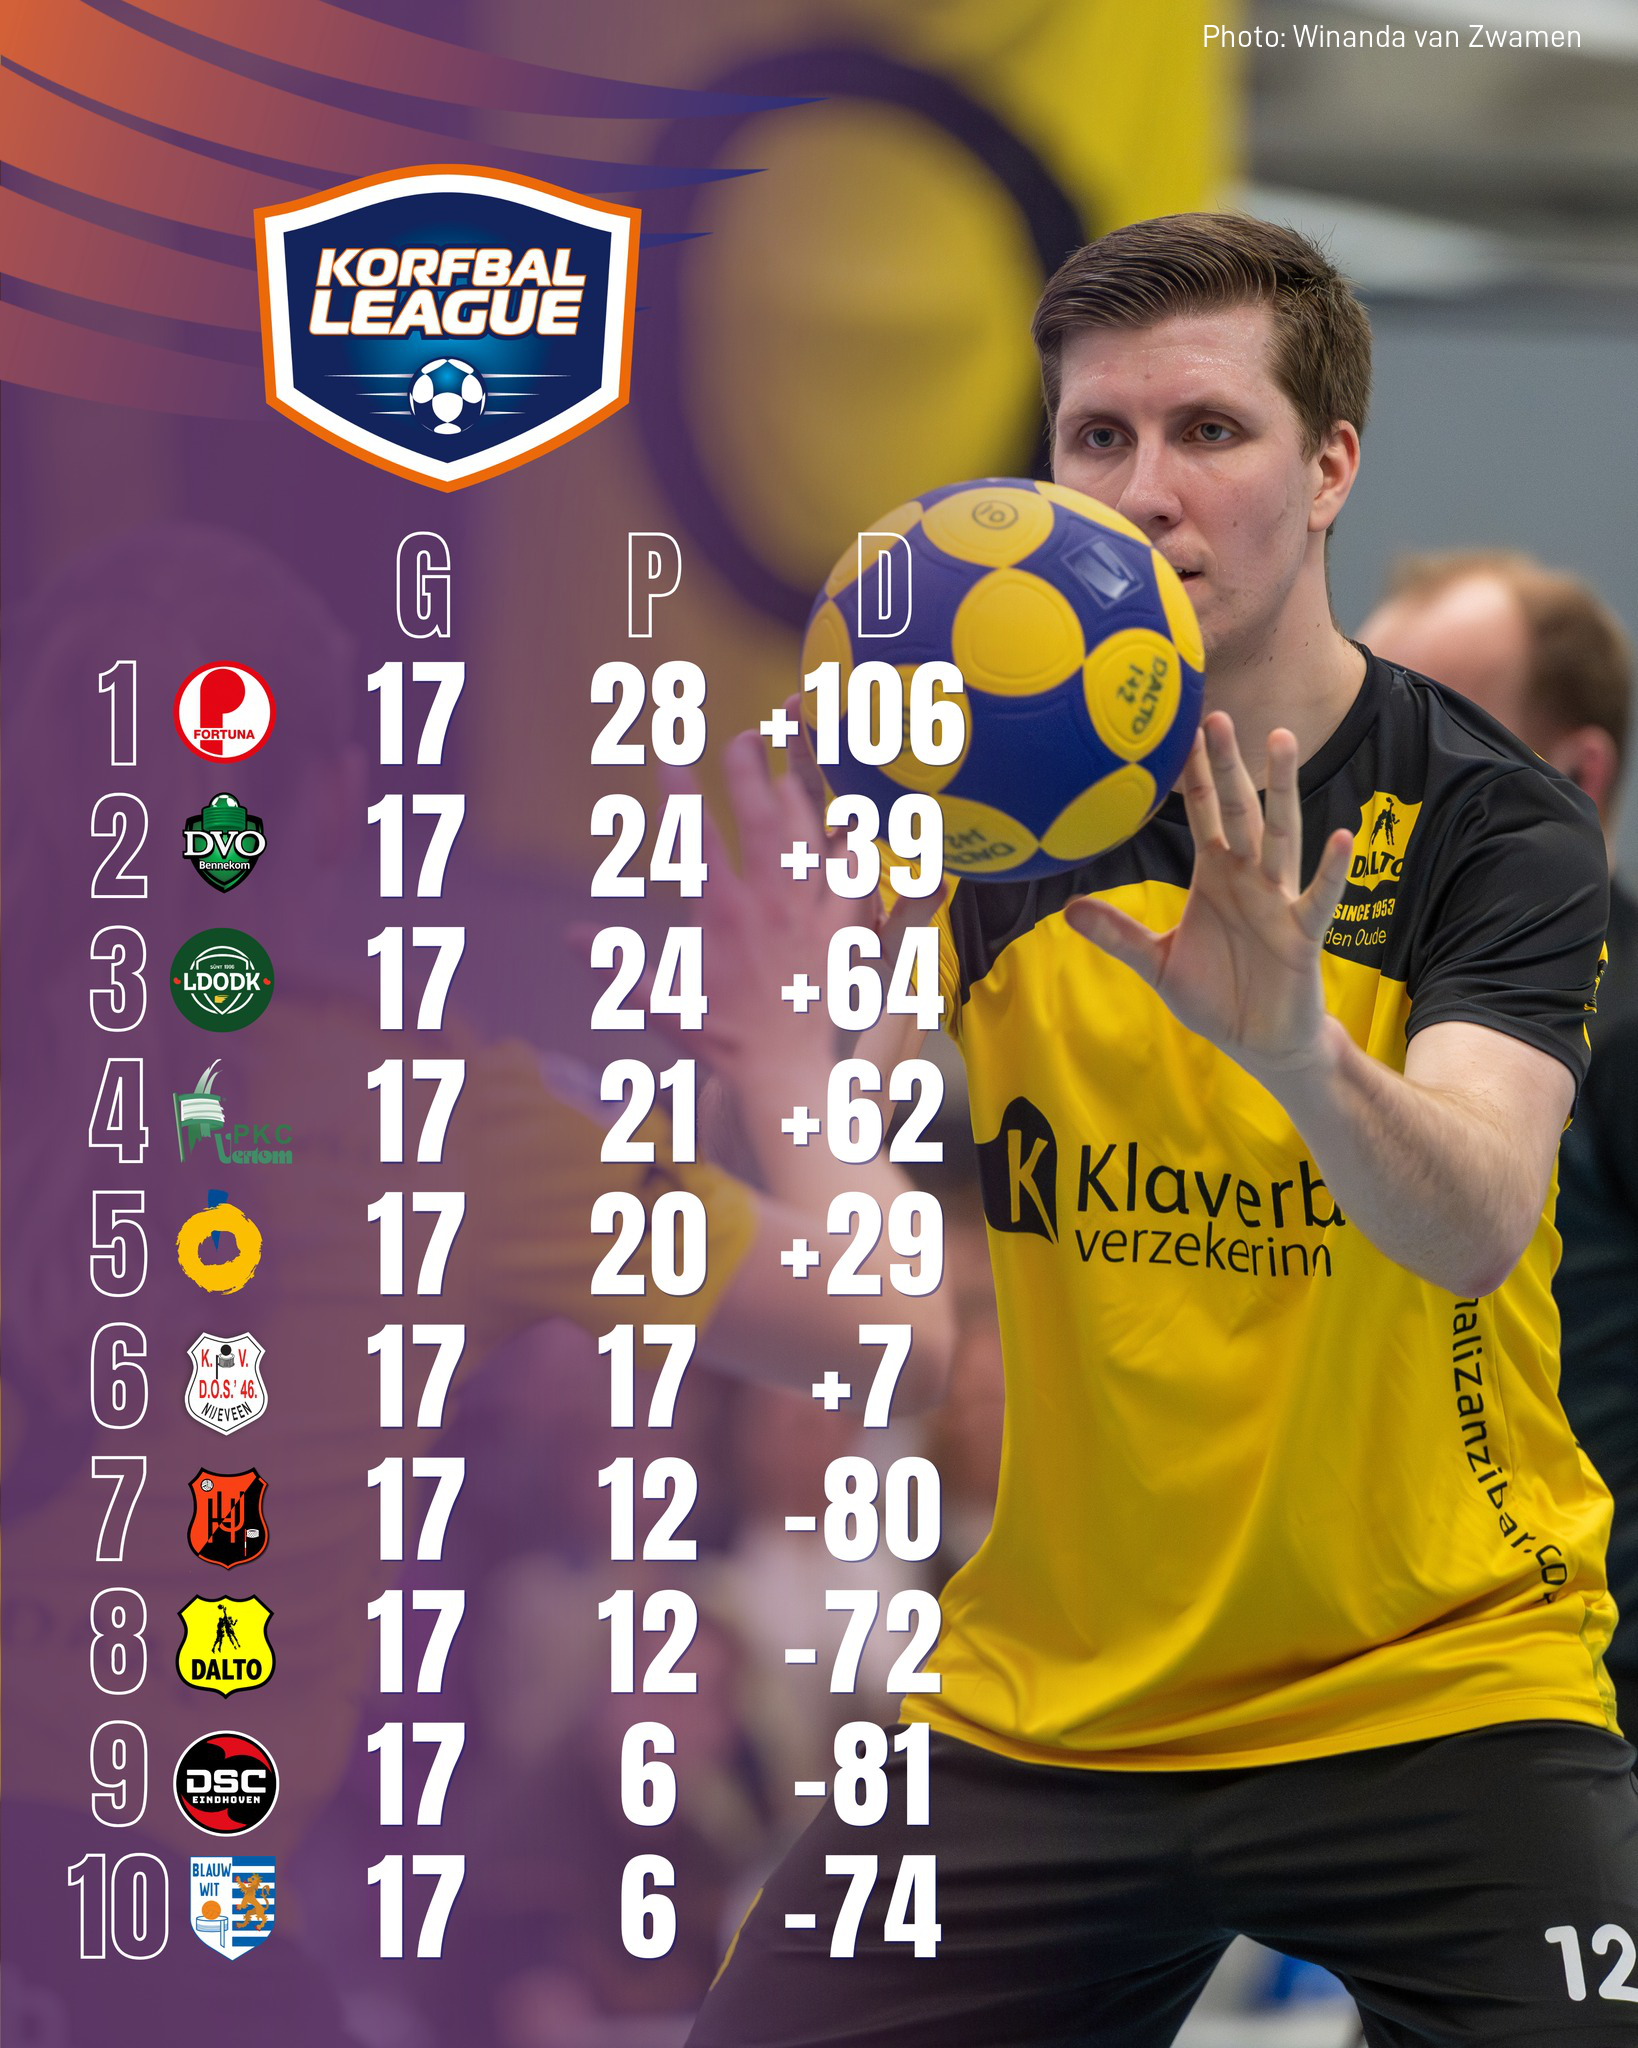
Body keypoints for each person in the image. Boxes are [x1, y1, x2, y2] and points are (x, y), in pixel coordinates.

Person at [688, 214, 1637, 2047]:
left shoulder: (1490, 825)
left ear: (1328, 466)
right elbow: (876, 1318)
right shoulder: (975, 804)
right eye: (1097, 438)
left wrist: (1292, 1050)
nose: (1145, 493)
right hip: (1049, 1701)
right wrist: (784, 1066)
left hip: (1433, 1682)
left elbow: (1470, 1221)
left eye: (1208, 430)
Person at [1361, 550, 1638, 1731]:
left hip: (1566, 1683)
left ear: (1579, 777)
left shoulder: (1623, 1032)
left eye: (1442, 729)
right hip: (1353, 1656)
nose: (1380, 768)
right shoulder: (1310, 993)